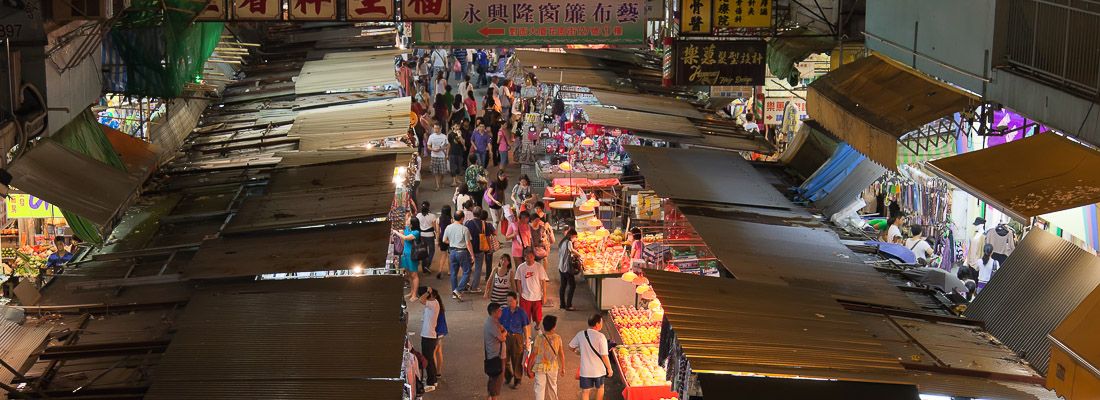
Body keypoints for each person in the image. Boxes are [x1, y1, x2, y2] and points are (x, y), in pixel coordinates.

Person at [569, 314, 613, 400]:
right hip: (598, 370)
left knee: (585, 392)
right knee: (600, 388)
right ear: (597, 324)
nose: (602, 324)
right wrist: (609, 368)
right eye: (601, 322)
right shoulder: (601, 337)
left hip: (585, 370)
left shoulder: (580, 334)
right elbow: (604, 355)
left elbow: (570, 347)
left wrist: (578, 351)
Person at [500, 291, 531, 389]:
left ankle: (517, 380)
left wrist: (527, 340)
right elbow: (500, 324)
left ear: (516, 301)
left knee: (517, 360)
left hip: (517, 337)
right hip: (506, 337)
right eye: (508, 301)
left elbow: (525, 327)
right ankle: (508, 376)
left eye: (511, 301)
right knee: (504, 359)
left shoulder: (521, 313)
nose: (509, 303)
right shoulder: (504, 311)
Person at [530, 315, 565, 400]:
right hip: (553, 367)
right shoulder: (558, 338)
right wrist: (563, 367)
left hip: (540, 366)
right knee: (553, 387)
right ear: (554, 327)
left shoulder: (539, 337)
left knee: (539, 388)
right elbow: (561, 354)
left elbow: (534, 353)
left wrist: (529, 367)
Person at [443, 210, 475, 301]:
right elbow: (468, 243)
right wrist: (472, 255)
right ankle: (458, 290)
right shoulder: (464, 229)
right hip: (462, 252)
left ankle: (454, 292)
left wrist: (453, 242)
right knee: (467, 271)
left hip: (452, 252)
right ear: (462, 218)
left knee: (453, 273)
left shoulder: (448, 227)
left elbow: (444, 240)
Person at [415, 286, 442, 392]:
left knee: (428, 360)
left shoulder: (433, 303)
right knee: (430, 359)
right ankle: (433, 379)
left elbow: (421, 300)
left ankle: (431, 383)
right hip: (429, 335)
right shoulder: (433, 303)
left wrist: (427, 292)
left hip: (428, 336)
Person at [514, 250, 549, 330]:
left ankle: (537, 325)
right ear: (524, 257)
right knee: (525, 317)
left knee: (538, 317)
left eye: (531, 257)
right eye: (527, 257)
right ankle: (527, 332)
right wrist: (520, 293)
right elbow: (518, 280)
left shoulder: (539, 267)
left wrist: (544, 295)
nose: (529, 259)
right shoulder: (521, 267)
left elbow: (543, 281)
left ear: (534, 257)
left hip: (537, 296)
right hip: (525, 296)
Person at [393, 215, 422, 301]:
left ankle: (415, 295)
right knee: (409, 274)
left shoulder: (416, 232)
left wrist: (396, 232)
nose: (407, 221)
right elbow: (403, 241)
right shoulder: (407, 229)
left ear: (412, 223)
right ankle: (412, 292)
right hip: (405, 254)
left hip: (412, 255)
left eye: (408, 220)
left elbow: (406, 238)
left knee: (414, 275)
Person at [484, 303, 507, 400]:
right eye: (499, 310)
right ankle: (493, 397)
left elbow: (502, 328)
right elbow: (502, 338)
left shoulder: (493, 321)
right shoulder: (492, 324)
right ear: (494, 312)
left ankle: (490, 395)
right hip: (496, 356)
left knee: (493, 377)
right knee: (497, 379)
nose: (501, 312)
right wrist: (505, 333)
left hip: (493, 354)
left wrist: (503, 330)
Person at [558, 229, 581, 311]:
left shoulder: (563, 242)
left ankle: (562, 305)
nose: (575, 238)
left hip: (561, 267)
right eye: (575, 237)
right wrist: (580, 255)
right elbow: (571, 250)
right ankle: (569, 305)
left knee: (563, 286)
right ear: (572, 235)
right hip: (567, 268)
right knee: (572, 286)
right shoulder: (569, 242)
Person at [465, 207, 486, 293]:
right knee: (478, 268)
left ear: (472, 213)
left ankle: (465, 283)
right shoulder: (483, 224)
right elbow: (487, 236)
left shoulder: (467, 223)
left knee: (468, 267)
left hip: (469, 249)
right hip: (480, 249)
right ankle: (474, 287)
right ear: (481, 214)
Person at [416, 202, 439, 275]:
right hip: (430, 235)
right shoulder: (432, 216)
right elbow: (434, 227)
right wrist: (437, 234)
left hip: (421, 235)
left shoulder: (418, 215)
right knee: (432, 250)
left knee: (424, 251)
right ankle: (427, 264)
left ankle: (424, 267)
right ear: (428, 207)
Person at [426, 123, 449, 191]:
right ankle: (437, 185)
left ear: (440, 128)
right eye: (435, 128)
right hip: (434, 156)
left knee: (443, 172)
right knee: (435, 172)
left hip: (442, 156)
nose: (436, 130)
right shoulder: (431, 136)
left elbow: (447, 145)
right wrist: (433, 149)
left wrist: (441, 149)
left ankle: (440, 181)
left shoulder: (444, 136)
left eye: (437, 128)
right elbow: (428, 146)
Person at [480, 210, 498, 283]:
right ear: (487, 217)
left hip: (479, 245)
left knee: (478, 262)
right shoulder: (489, 225)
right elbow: (495, 233)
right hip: (488, 245)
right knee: (488, 262)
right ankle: (488, 277)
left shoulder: (478, 224)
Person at [435, 205, 453, 279]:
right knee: (450, 255)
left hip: (442, 238)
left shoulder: (438, 219)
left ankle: (440, 270)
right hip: (450, 239)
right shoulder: (451, 219)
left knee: (443, 255)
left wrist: (437, 241)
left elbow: (437, 232)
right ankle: (449, 271)